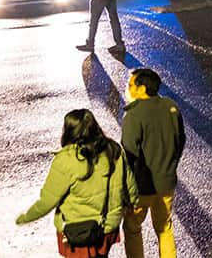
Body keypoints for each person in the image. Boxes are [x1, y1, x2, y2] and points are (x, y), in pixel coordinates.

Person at [16, 109, 138, 258]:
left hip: (77, 231)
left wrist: (26, 217)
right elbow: (130, 185)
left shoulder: (66, 159)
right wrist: (134, 203)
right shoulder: (113, 150)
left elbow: (48, 200)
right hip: (106, 227)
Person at [121, 68, 186, 258]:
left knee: (133, 228)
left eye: (131, 85)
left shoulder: (134, 115)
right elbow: (181, 140)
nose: (128, 88)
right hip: (167, 183)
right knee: (164, 228)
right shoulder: (171, 107)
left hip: (142, 187)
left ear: (142, 88)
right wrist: (170, 165)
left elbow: (128, 154)